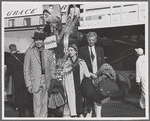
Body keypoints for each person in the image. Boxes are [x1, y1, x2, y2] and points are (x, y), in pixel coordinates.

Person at [24, 32, 56, 117]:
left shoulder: (49, 53)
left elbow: (52, 67)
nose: (38, 42)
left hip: (46, 81)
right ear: (34, 41)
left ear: (43, 41)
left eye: (40, 40)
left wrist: (52, 80)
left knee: (45, 104)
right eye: (36, 40)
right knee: (37, 104)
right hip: (35, 81)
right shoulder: (29, 53)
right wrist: (29, 84)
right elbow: (26, 69)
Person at [78, 32, 105, 117]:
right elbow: (81, 65)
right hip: (88, 76)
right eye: (90, 39)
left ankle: (98, 115)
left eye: (93, 40)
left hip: (98, 76)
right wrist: (89, 74)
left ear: (95, 40)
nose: (91, 41)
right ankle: (89, 113)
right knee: (89, 95)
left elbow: (103, 64)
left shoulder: (100, 50)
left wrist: (102, 74)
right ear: (87, 40)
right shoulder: (82, 50)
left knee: (98, 96)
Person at [62, 44, 91, 117]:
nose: (70, 52)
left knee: (79, 97)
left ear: (76, 51)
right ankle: (73, 113)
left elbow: (87, 74)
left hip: (79, 82)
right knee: (72, 99)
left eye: (71, 50)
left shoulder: (81, 62)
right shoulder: (67, 62)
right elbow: (64, 73)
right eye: (69, 50)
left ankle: (80, 113)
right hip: (71, 83)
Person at [6, 44, 33, 117]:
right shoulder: (22, 56)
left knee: (19, 97)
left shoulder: (9, 59)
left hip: (17, 80)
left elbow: (9, 72)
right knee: (28, 95)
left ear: (10, 50)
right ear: (16, 48)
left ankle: (22, 114)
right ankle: (31, 112)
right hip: (26, 78)